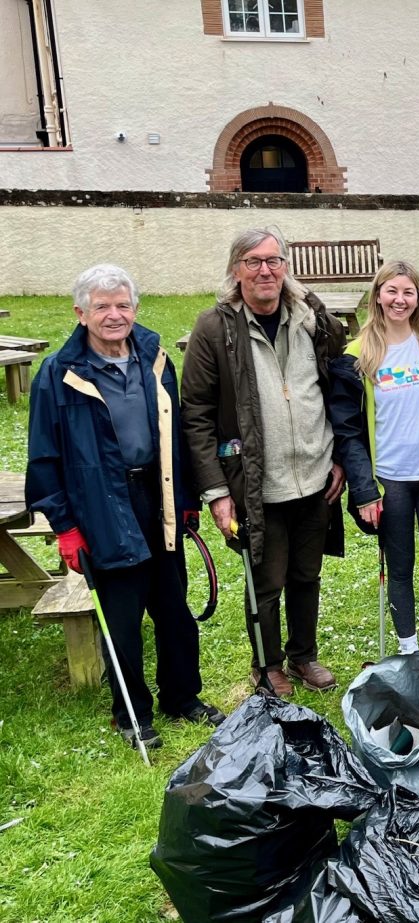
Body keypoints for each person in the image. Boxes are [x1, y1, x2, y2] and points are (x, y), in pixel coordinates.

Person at [27, 265, 224, 749]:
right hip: (100, 506)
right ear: (80, 313)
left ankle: (183, 698)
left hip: (159, 499)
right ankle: (132, 715)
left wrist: (187, 501)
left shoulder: (155, 358)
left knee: (173, 608)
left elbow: (176, 434)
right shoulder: (58, 374)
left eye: (122, 305)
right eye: (102, 307)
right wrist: (65, 527)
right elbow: (43, 456)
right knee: (122, 618)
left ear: (135, 309)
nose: (114, 316)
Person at [182, 228, 346, 696]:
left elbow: (338, 385)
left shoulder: (309, 318)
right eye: (253, 261)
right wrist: (216, 491)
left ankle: (303, 657)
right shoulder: (215, 328)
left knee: (305, 576)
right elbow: (196, 413)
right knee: (266, 580)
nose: (265, 271)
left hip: (314, 475)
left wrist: (339, 459)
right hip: (256, 482)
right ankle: (267, 664)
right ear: (236, 271)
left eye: (274, 261)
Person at [328, 260, 419, 680]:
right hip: (390, 478)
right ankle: (408, 648)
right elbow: (347, 431)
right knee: (399, 567)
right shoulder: (356, 355)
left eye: (408, 292)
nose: (399, 300)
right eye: (391, 291)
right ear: (377, 295)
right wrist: (365, 490)